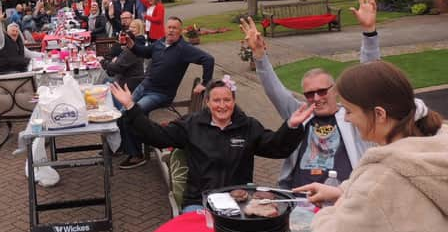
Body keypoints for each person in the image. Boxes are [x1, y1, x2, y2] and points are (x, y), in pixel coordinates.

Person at [292, 61, 446, 232]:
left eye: (350, 111)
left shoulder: (385, 181)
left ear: (379, 114)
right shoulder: (433, 148)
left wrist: (325, 216)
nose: (347, 118)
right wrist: (342, 190)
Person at [240, 0, 382, 189]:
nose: (316, 98)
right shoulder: (300, 114)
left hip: (343, 199)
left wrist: (369, 32)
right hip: (301, 201)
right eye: (309, 94)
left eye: (322, 91)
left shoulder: (352, 116)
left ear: (335, 91)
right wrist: (259, 55)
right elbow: (274, 90)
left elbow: (369, 77)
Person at [111, 77, 314, 211]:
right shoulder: (191, 125)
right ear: (207, 102)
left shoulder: (248, 126)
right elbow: (156, 136)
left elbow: (276, 147)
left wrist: (292, 126)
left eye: (227, 100)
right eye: (216, 101)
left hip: (239, 201)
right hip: (199, 202)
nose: (222, 106)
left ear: (234, 101)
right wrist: (131, 107)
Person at [118, 16, 215, 169]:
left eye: (174, 28)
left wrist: (205, 83)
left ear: (180, 31)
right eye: (169, 27)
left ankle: (137, 155)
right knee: (122, 113)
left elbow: (208, 59)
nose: (171, 30)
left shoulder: (184, 49)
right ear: (165, 28)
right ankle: (127, 146)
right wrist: (131, 46)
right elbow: (144, 52)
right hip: (145, 85)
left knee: (132, 114)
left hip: (160, 94)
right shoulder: (160, 43)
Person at [0, 7, 42, 74]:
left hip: (16, 70)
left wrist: (43, 55)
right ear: (8, 32)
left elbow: (29, 53)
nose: (15, 32)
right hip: (3, 73)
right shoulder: (2, 41)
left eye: (16, 31)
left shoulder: (18, 42)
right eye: (12, 30)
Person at [100, 19, 145, 92]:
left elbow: (118, 66)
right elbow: (115, 54)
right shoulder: (128, 43)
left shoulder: (135, 47)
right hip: (123, 74)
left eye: (134, 27)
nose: (131, 29)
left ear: (140, 29)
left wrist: (102, 62)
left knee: (103, 80)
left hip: (129, 82)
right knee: (103, 77)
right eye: (130, 27)